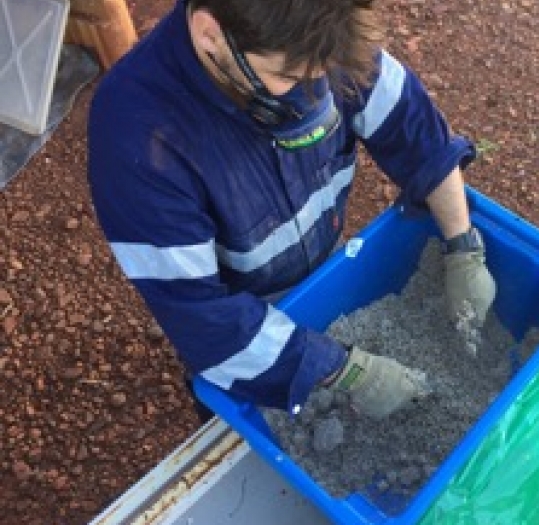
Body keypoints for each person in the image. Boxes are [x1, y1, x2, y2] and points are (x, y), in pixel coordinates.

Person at [87, 0, 496, 423]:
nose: (311, 89)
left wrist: (463, 245)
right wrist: (349, 373)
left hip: (319, 269)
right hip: (243, 322)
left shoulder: (316, 35)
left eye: (321, 74)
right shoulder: (137, 142)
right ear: (210, 34)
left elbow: (413, 127)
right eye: (287, 77)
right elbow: (202, 318)